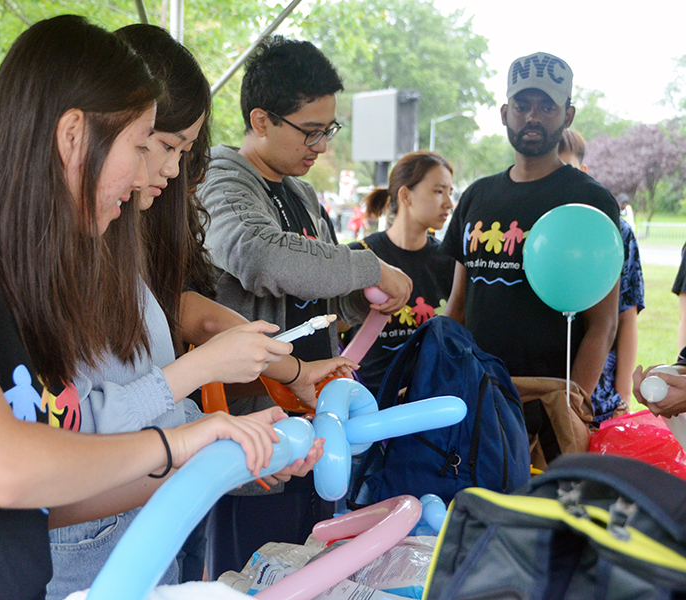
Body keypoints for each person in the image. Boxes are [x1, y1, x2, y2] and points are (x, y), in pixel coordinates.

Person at [0, 16, 315, 600]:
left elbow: (52, 497)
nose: (146, 176)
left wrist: (218, 449)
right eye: (142, 147)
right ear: (72, 136)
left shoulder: (25, 277)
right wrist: (177, 444)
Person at [45, 25, 355, 599]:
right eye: (155, 146)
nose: (163, 173)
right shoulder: (47, 265)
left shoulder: (118, 254)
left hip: (144, 525)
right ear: (76, 133)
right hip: (95, 549)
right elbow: (75, 439)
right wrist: (204, 384)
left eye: (180, 153)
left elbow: (144, 406)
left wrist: (232, 440)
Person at [197, 35, 412, 580]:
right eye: (310, 131)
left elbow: (323, 294)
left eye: (329, 130)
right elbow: (262, 257)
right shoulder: (220, 180)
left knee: (309, 569)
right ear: (261, 119)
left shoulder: (302, 195)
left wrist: (367, 302)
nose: (321, 145)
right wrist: (369, 266)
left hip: (314, 431)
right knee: (247, 577)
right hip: (254, 430)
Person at [442, 52, 620, 402]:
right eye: (522, 106)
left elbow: (603, 323)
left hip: (547, 404)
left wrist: (572, 406)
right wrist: (443, 376)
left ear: (568, 116)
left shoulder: (590, 200)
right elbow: (459, 304)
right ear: (505, 112)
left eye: (547, 107)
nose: (532, 117)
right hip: (475, 397)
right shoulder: (477, 196)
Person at [348, 151, 456, 398]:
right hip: (362, 403)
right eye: (439, 191)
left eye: (450, 192)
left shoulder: (449, 261)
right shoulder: (361, 256)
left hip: (426, 405)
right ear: (406, 195)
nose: (449, 203)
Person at [558, 129, 645, 422]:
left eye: (564, 170)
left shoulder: (616, 231)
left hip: (599, 402)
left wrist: (621, 398)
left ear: (583, 172)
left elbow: (626, 317)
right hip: (539, 391)